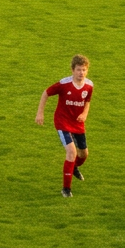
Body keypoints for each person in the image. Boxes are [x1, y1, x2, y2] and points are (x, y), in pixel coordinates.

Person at [34, 53, 94, 198]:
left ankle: (73, 167)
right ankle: (66, 189)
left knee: (84, 154)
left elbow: (87, 101)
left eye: (84, 70)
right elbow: (46, 93)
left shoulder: (89, 85)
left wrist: (85, 114)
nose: (81, 73)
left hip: (78, 123)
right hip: (63, 122)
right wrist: (40, 113)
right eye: (79, 70)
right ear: (72, 70)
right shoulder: (63, 84)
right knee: (71, 152)